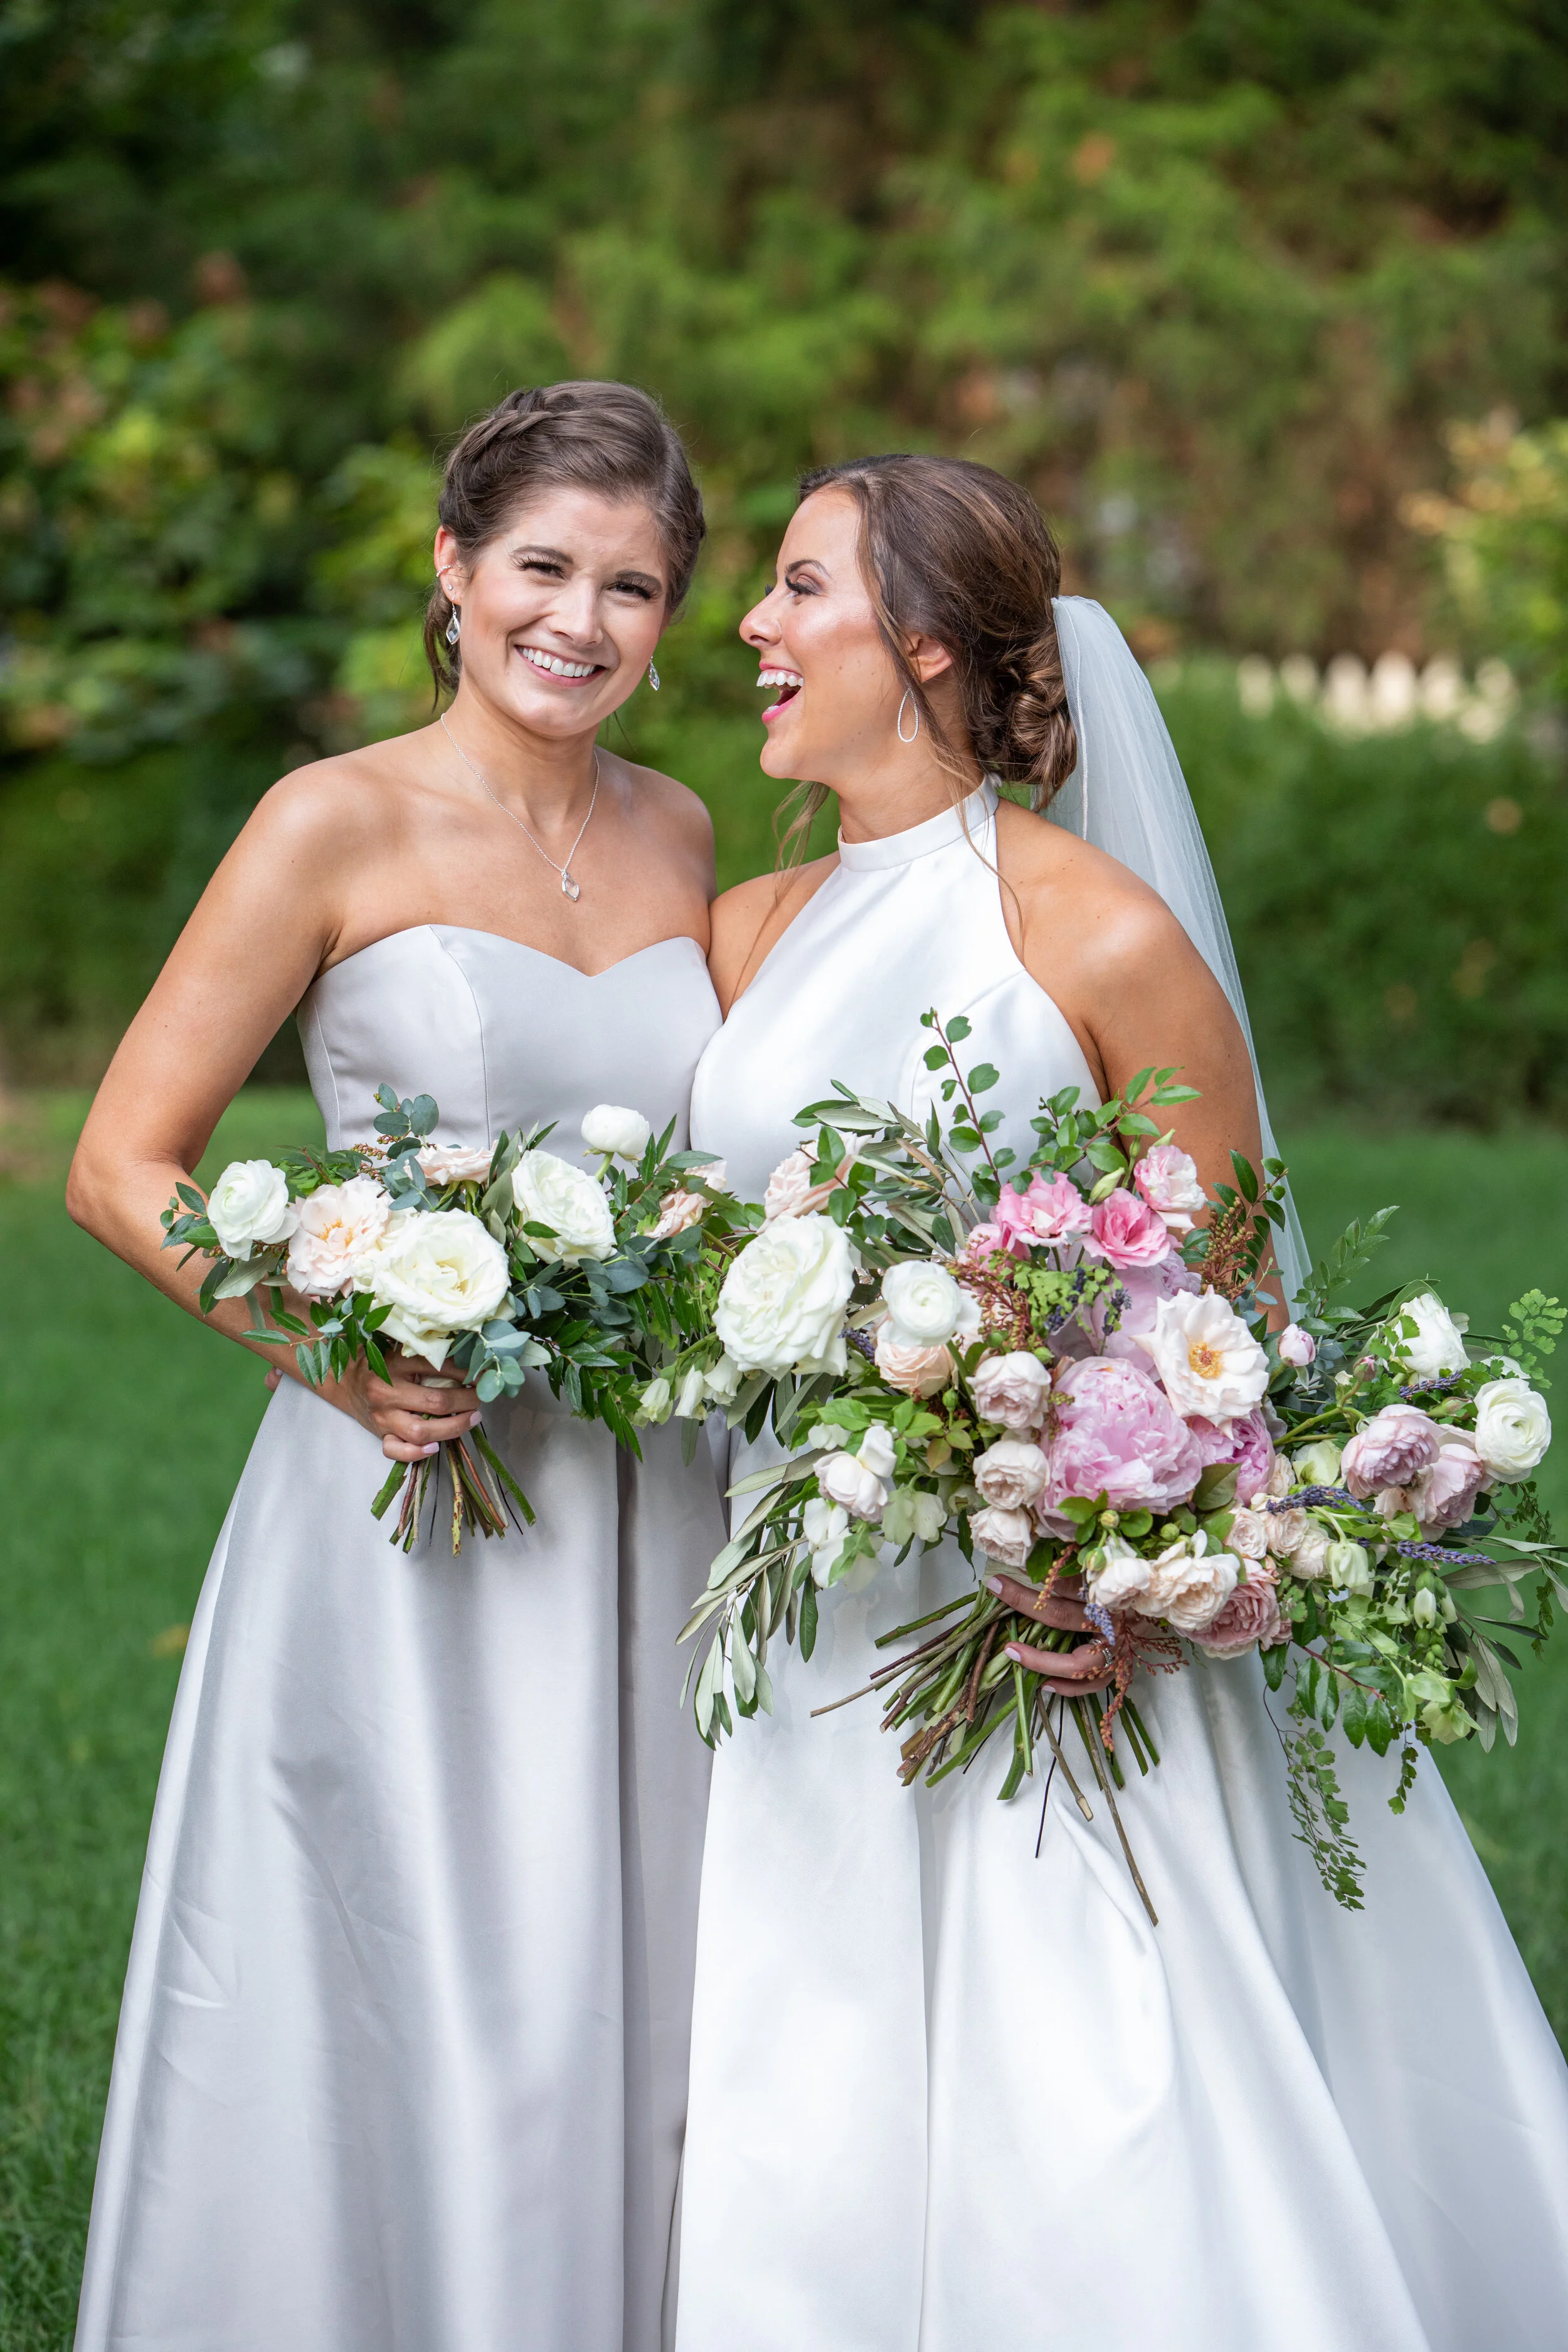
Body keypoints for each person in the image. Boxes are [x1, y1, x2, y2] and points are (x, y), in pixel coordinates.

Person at [672, 453, 1568, 2351]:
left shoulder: (1093, 938)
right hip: (797, 1582)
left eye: (796, 587)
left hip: (1032, 1615)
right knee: (811, 2045)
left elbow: (1236, 1339)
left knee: (1078, 2073)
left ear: (919, 645)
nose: (749, 624)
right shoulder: (746, 929)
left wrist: (1125, 1571)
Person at [68, 381, 726, 2352]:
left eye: (633, 586)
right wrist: (331, 1355)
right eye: (541, 567)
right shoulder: (330, 817)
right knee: (446, 1947)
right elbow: (122, 1164)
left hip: (650, 1485)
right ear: (453, 575)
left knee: (651, 1939)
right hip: (412, 1484)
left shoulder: (688, 828)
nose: (579, 622)